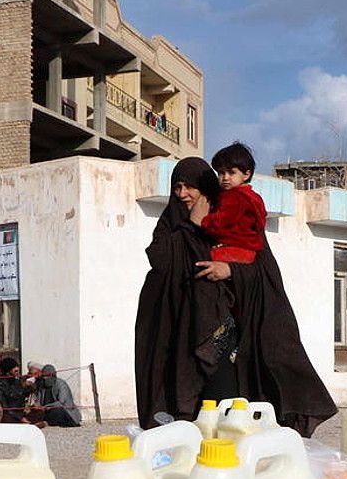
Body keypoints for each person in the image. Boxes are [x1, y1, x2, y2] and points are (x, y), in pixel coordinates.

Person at [134, 158, 335, 434]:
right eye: (177, 187)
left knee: (223, 419)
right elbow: (161, 262)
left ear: (206, 189)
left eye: (190, 187)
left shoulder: (233, 220)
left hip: (222, 342)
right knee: (185, 428)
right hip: (179, 344)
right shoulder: (171, 225)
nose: (182, 194)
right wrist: (191, 226)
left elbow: (263, 273)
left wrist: (230, 270)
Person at [193, 141, 267, 265]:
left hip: (231, 250)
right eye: (221, 173)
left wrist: (202, 221)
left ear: (246, 174)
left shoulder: (235, 197)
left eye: (231, 172)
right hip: (249, 252)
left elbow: (220, 222)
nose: (225, 177)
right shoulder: (254, 197)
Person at [0, 358, 30, 423]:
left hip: (20, 411)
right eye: (15, 370)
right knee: (6, 418)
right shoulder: (0, 385)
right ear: (8, 371)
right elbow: (5, 407)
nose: (17, 372)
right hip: (10, 413)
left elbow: (23, 398)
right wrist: (20, 418)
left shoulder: (18, 381)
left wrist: (27, 388)